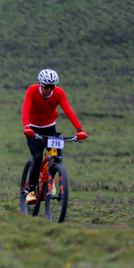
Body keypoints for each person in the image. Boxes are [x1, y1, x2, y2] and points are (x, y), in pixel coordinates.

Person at [22, 68, 87, 205]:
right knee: (38, 157)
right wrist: (27, 127)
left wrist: (79, 130)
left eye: (52, 87)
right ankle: (31, 190)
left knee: (56, 158)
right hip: (33, 129)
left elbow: (68, 110)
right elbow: (25, 109)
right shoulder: (32, 90)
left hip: (49, 128)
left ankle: (50, 180)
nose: (49, 90)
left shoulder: (58, 93)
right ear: (40, 84)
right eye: (46, 87)